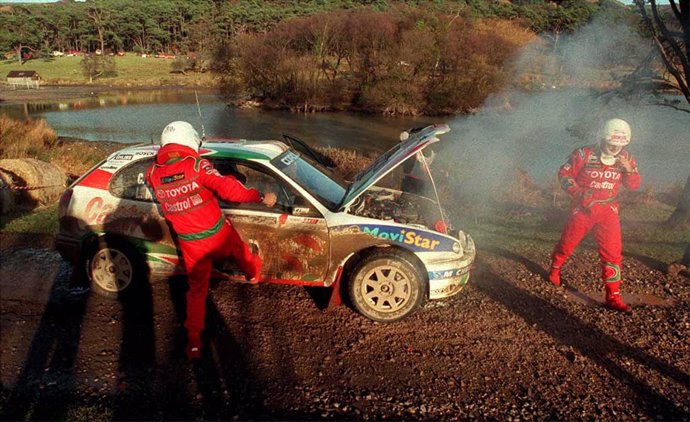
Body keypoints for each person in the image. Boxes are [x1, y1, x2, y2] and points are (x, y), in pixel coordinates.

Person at [146, 121, 277, 360]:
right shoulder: (196, 165)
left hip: (189, 244)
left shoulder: (152, 173)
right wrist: (260, 196)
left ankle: (193, 344)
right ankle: (253, 275)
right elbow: (231, 191)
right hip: (218, 235)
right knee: (243, 253)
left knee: (196, 293)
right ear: (190, 141)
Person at [548, 118, 641, 312]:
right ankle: (555, 267)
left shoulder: (627, 159)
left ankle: (613, 296)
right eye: (611, 144)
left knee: (613, 254)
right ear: (602, 139)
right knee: (567, 243)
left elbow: (633, 185)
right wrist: (579, 193)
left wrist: (629, 171)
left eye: (619, 145)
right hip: (582, 209)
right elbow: (564, 175)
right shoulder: (583, 154)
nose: (615, 148)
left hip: (609, 211)